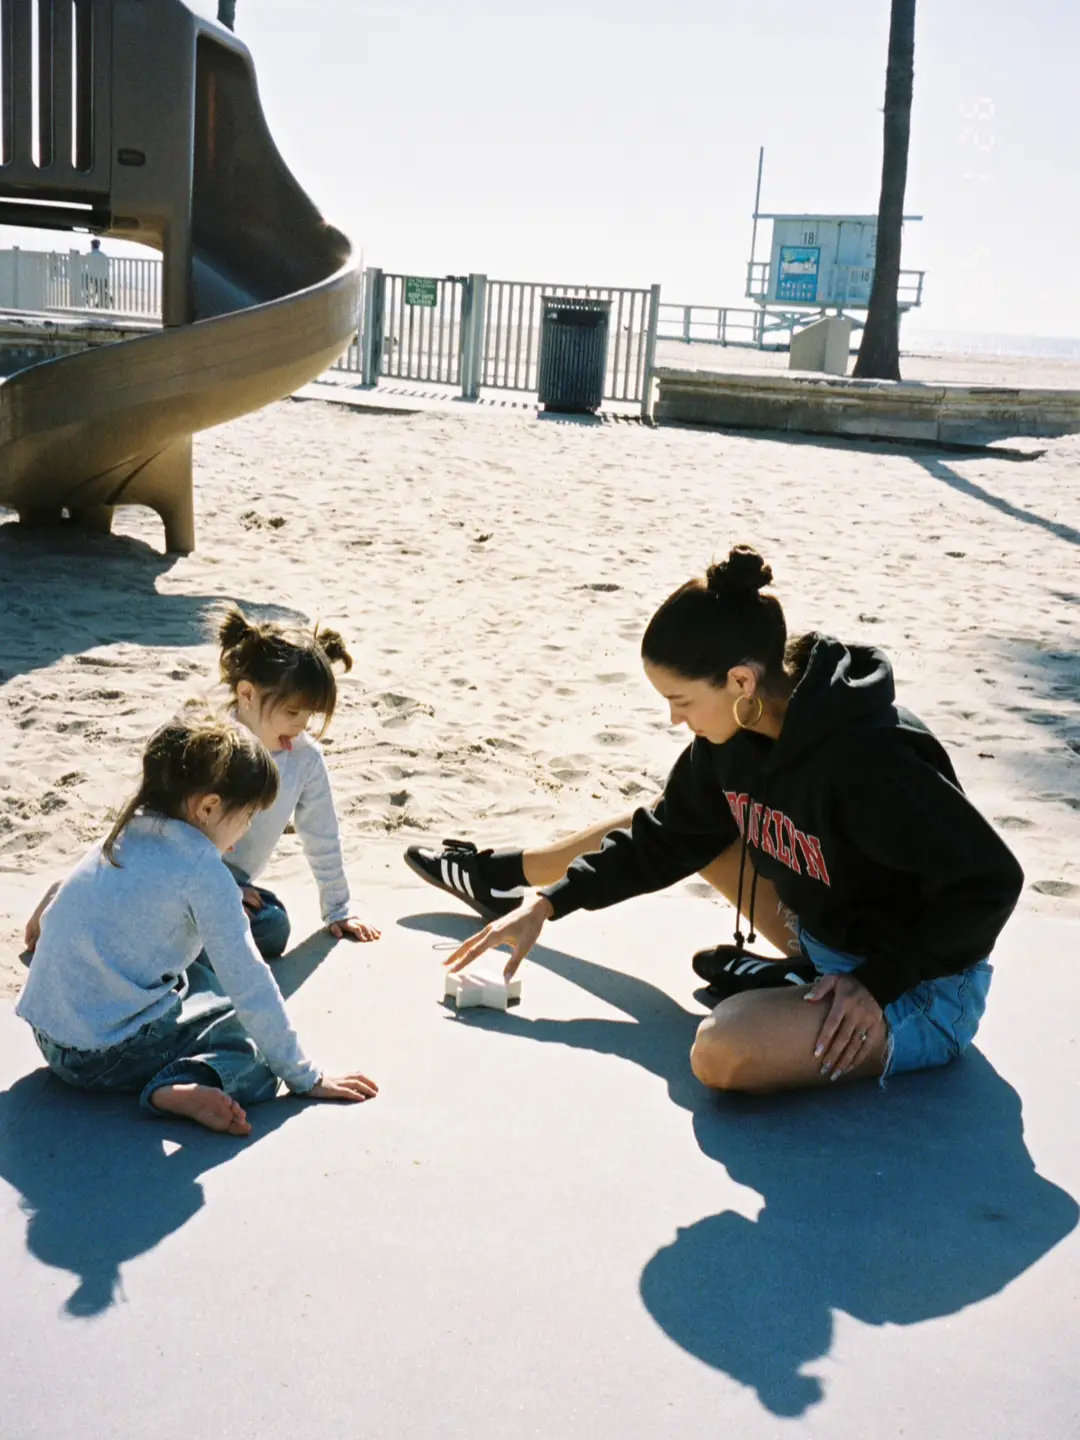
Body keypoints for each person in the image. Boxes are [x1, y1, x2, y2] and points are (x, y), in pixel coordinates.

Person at [416, 545, 1024, 1094]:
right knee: (686, 827)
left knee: (722, 1052)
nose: (676, 721)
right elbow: (665, 838)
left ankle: (789, 990)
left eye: (681, 701)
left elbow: (990, 881)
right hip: (829, 936)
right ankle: (788, 977)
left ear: (741, 680)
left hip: (916, 987)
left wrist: (879, 981)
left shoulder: (867, 759)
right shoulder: (735, 733)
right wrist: (550, 902)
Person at [16, 718, 378, 1135]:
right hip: (104, 1057)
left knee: (196, 972)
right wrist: (305, 1076)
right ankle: (171, 1088)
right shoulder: (203, 871)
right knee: (255, 1051)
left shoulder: (129, 826)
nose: (242, 837)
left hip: (49, 1037)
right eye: (246, 819)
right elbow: (249, 982)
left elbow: (72, 904)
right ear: (207, 808)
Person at [215, 607, 380, 956]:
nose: (302, 725)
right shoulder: (211, 744)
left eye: (310, 715)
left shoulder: (304, 759)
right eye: (292, 712)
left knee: (273, 927)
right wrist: (217, 886)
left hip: (236, 889)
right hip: (179, 880)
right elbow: (169, 832)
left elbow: (322, 833)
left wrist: (339, 909)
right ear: (247, 694)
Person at [83, 238, 111, 309]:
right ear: (99, 246)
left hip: (93, 277)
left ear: (91, 246)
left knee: (85, 277)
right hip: (103, 278)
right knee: (101, 289)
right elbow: (108, 264)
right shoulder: (103, 255)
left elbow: (84, 263)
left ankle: (87, 296)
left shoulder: (88, 255)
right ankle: (102, 301)